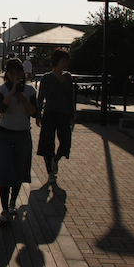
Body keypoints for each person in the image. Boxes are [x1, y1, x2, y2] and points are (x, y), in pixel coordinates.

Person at [0, 58, 37, 222]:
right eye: (12, 74)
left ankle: (12, 202)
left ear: (23, 73)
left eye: (18, 73)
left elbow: (34, 112)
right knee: (4, 170)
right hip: (4, 133)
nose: (15, 77)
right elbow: (1, 108)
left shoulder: (30, 91)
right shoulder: (0, 89)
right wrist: (12, 92)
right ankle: (4, 209)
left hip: (23, 133)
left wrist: (24, 100)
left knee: (19, 169)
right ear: (7, 74)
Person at [35, 48, 75, 184]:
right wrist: (38, 115)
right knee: (47, 143)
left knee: (65, 142)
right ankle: (50, 173)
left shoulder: (68, 78)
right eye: (63, 61)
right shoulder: (47, 78)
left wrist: (72, 115)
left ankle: (55, 160)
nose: (65, 63)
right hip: (50, 114)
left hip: (64, 114)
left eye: (66, 61)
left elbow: (71, 97)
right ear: (56, 61)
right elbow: (40, 98)